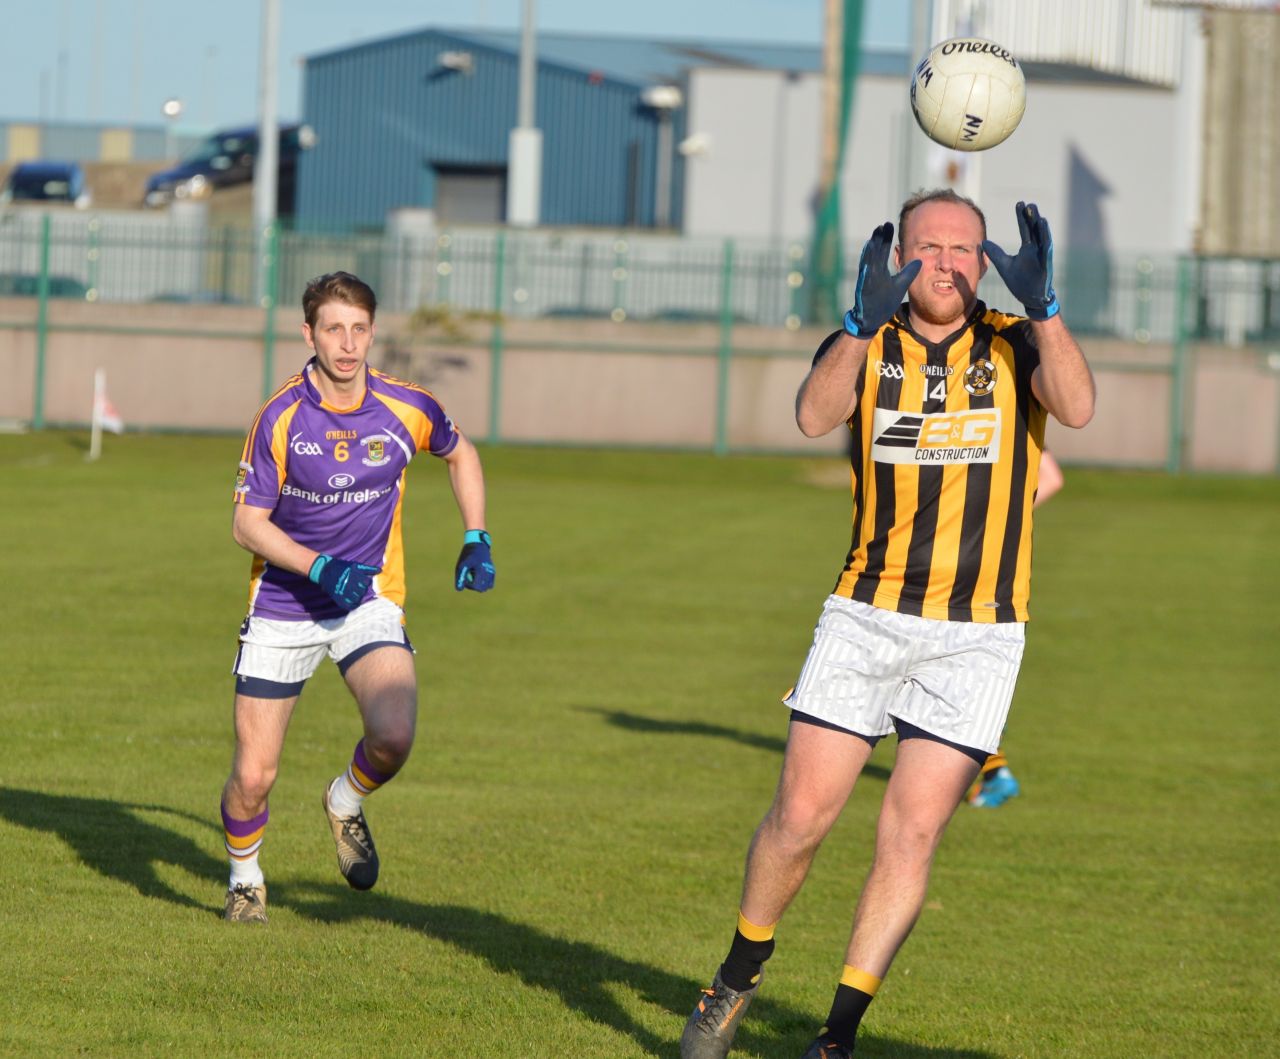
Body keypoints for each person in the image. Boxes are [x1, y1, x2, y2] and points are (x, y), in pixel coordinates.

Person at [680, 192, 1095, 1058]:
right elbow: (812, 414)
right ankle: (737, 974)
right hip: (867, 613)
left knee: (910, 830)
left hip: (980, 630)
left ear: (988, 261)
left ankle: (837, 1032)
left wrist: (1050, 313)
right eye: (928, 246)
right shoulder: (871, 338)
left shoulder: (1018, 342)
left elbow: (1080, 407)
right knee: (799, 815)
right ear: (898, 254)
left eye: (964, 249)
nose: (945, 262)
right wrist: (857, 328)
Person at [219, 270, 495, 924]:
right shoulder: (281, 416)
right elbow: (245, 524)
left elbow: (461, 453)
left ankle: (344, 799)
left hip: (367, 597)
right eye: (333, 329)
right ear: (308, 332)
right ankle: (245, 879)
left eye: (359, 328)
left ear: (373, 332)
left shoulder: (407, 407)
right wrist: (318, 566)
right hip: (284, 604)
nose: (347, 344)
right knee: (255, 775)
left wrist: (477, 533)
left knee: (394, 734)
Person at [967, 449, 1065, 809]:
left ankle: (995, 771)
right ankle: (994, 771)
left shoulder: (1007, 410)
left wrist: (995, 517)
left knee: (955, 686)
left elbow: (1051, 477)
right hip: (976, 569)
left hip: (971, 574)